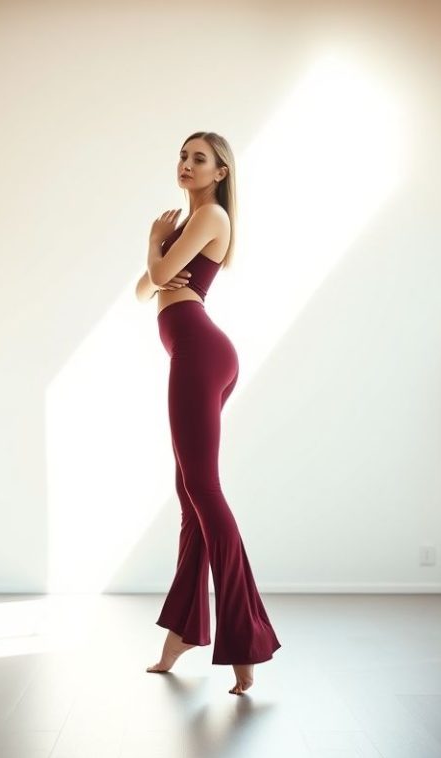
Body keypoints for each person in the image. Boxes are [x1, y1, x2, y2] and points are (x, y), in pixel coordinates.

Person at [135, 132, 281, 695]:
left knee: (205, 492)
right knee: (191, 496)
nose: (186, 164)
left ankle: (246, 643)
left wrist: (153, 246)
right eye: (182, 155)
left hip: (199, 353)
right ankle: (183, 634)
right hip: (196, 352)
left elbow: (157, 274)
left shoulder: (211, 216)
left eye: (199, 159)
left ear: (220, 172)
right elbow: (140, 292)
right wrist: (156, 261)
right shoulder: (187, 226)